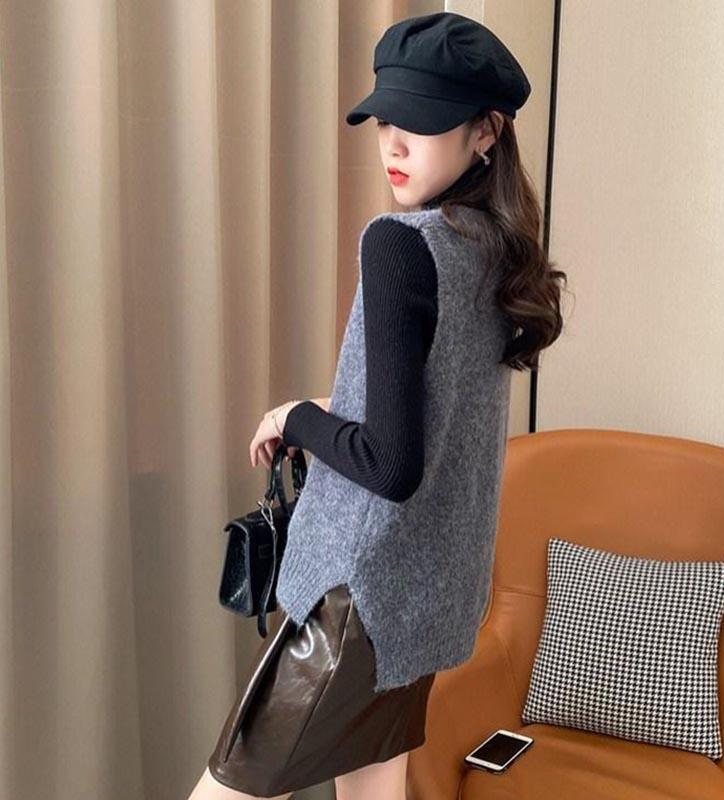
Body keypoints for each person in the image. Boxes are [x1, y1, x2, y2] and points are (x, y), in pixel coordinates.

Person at [190, 11, 567, 800]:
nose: (393, 144)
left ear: (485, 131)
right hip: (427, 599)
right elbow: (439, 409)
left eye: (420, 123)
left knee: (227, 789)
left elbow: (393, 466)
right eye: (385, 120)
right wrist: (335, 402)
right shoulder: (494, 249)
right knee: (375, 788)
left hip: (358, 599)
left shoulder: (398, 244)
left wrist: (295, 419)